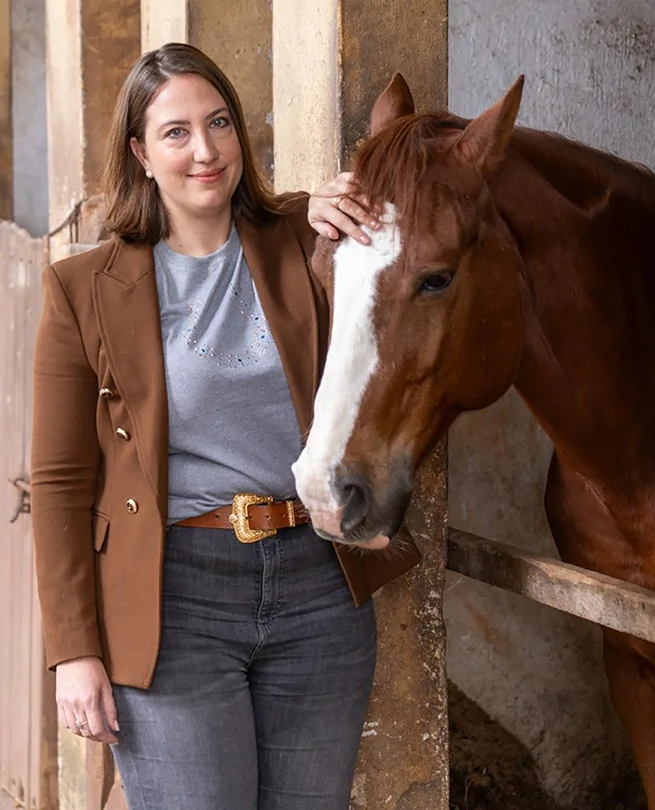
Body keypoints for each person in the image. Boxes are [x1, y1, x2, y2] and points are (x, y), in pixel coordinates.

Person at [30, 42, 421, 810]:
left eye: (218, 124)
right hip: (173, 596)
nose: (204, 150)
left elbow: (406, 326)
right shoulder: (83, 288)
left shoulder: (310, 243)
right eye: (175, 133)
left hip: (317, 586)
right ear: (140, 153)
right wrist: (74, 652)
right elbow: (59, 480)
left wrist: (354, 212)